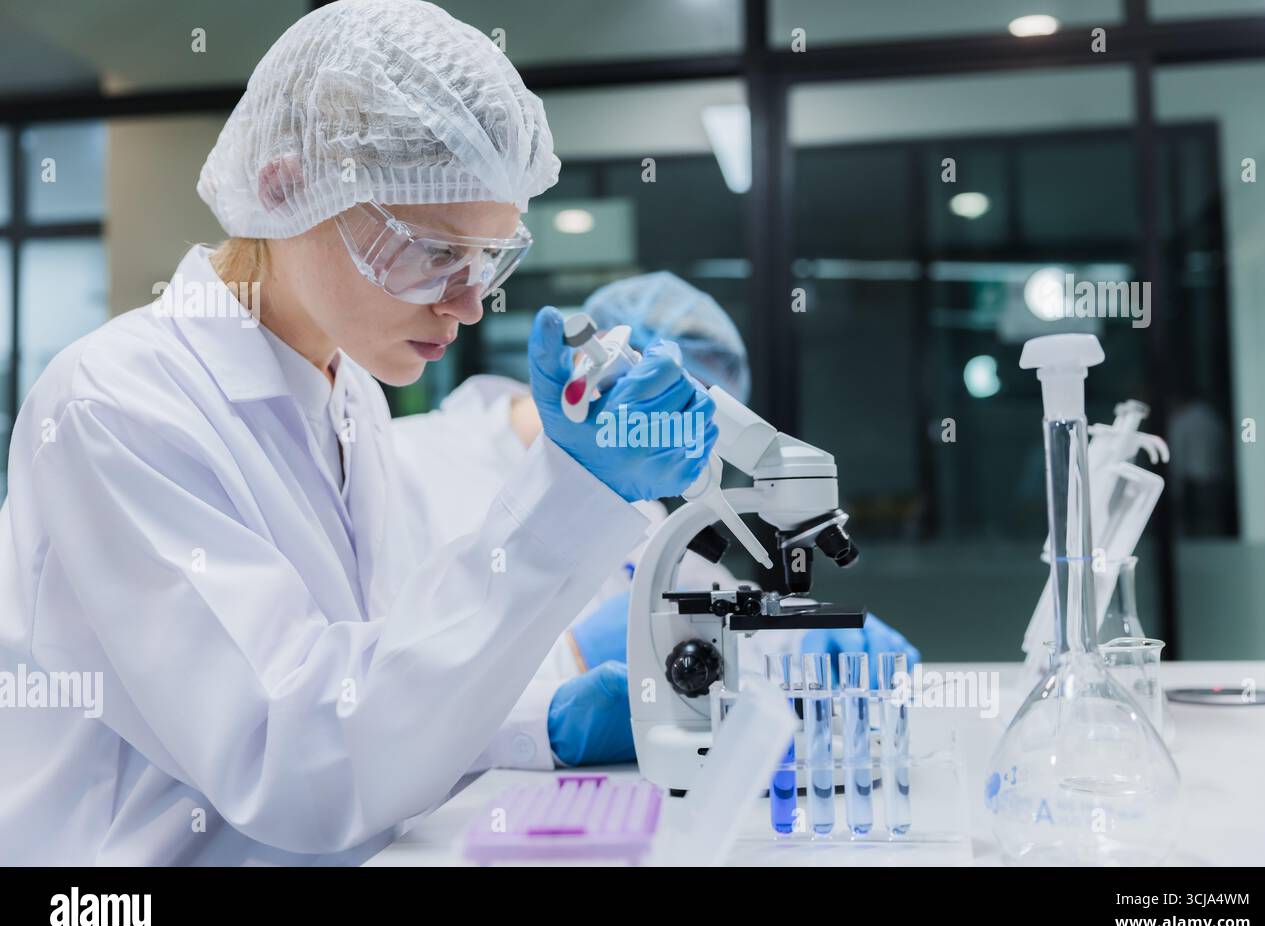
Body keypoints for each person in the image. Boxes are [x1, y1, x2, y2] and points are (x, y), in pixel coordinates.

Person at [0, 0, 715, 865]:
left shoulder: (349, 394)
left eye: (486, 261)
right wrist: (569, 492)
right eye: (428, 252)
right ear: (283, 186)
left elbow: (374, 701)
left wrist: (536, 725)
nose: (463, 303)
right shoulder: (114, 407)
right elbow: (298, 762)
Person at [391, 273, 918, 769]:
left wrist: (802, 644)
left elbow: (720, 614)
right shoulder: (409, 464)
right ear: (605, 371)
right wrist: (561, 690)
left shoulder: (641, 502)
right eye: (679, 418)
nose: (688, 454)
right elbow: (394, 709)